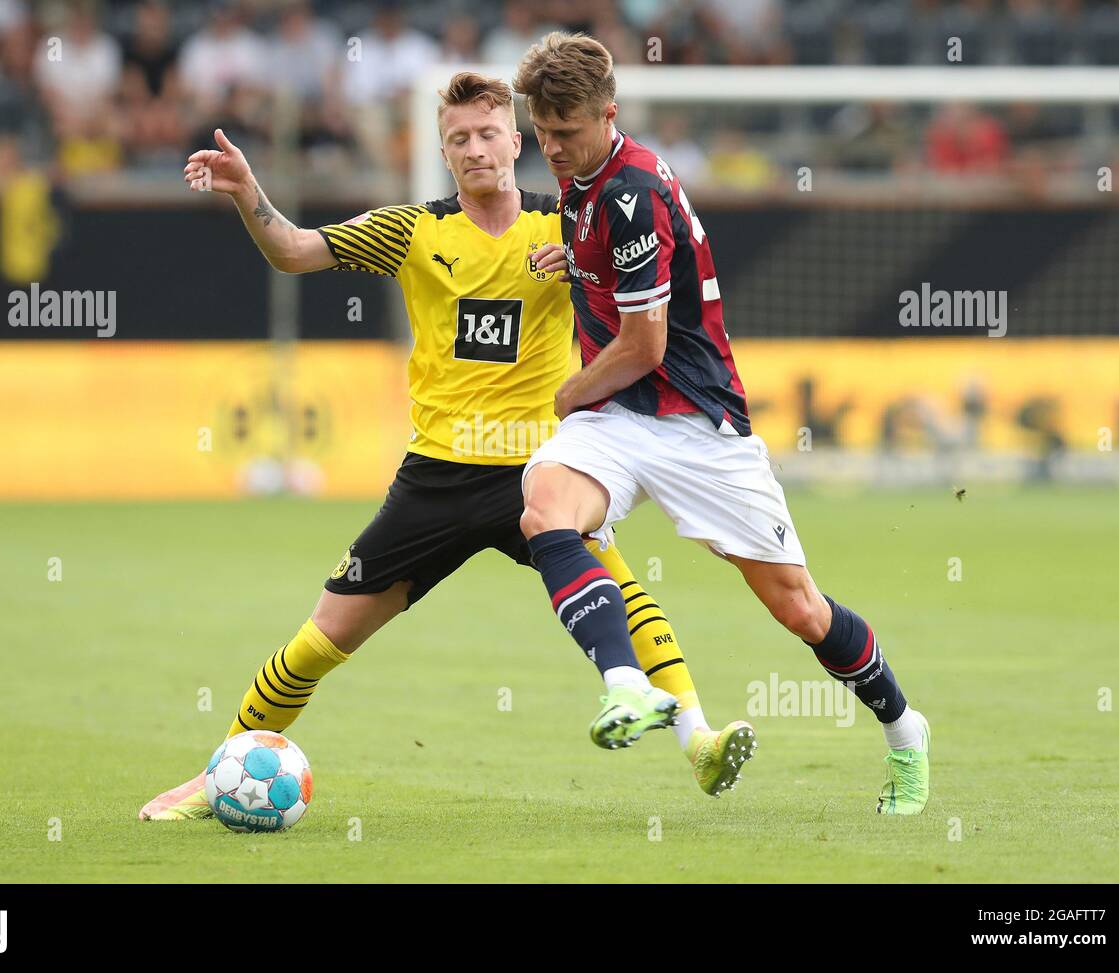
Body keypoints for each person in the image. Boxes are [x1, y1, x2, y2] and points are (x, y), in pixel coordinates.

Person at [139, 72, 753, 821]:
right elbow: (295, 251)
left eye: (487, 134)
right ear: (443, 152)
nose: (474, 149)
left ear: (515, 142)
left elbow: (642, 303)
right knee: (322, 635)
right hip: (435, 479)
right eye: (457, 139)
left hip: (538, 471)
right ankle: (218, 773)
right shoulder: (413, 230)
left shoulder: (566, 225)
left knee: (625, 597)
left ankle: (697, 739)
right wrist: (246, 190)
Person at [512, 32, 930, 814]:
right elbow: (624, 273)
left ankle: (906, 731)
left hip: (697, 421)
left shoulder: (633, 190)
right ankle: (629, 684)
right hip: (621, 420)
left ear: (610, 113)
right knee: (544, 504)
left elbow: (645, 344)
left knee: (798, 608)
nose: (552, 147)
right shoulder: (583, 176)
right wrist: (574, 264)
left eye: (566, 131)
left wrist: (569, 392)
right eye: (541, 131)